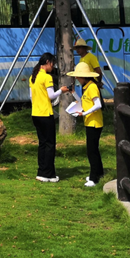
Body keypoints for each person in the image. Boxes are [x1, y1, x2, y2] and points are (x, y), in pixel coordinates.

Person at [30, 52, 69, 183]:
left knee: (42, 144)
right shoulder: (47, 77)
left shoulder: (33, 77)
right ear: (47, 62)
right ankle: (48, 174)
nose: (53, 67)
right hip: (46, 114)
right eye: (53, 64)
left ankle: (42, 172)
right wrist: (61, 90)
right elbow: (51, 95)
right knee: (50, 144)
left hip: (35, 113)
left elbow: (31, 96)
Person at [68, 60, 104, 187]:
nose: (77, 79)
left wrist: (84, 113)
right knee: (93, 149)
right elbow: (84, 102)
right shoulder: (86, 87)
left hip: (94, 123)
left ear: (84, 76)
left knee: (91, 151)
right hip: (90, 122)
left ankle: (94, 178)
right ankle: (99, 173)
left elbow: (98, 104)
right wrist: (73, 94)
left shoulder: (92, 87)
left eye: (78, 76)